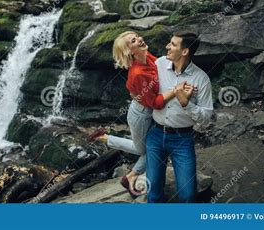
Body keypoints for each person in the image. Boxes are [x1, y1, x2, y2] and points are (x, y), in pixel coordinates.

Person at [87, 31, 194, 197]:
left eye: (137, 36)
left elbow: (162, 72)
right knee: (146, 151)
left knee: (149, 149)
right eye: (134, 41)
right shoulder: (137, 73)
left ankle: (107, 140)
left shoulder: (147, 56)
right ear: (130, 51)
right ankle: (129, 174)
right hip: (141, 115)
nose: (140, 39)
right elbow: (156, 103)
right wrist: (175, 90)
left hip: (149, 111)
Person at [146, 32, 214, 203]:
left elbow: (206, 119)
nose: (167, 47)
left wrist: (186, 103)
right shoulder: (159, 64)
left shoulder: (201, 79)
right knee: (152, 189)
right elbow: (140, 78)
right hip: (154, 134)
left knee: (187, 194)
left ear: (184, 51)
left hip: (182, 139)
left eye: (173, 44)